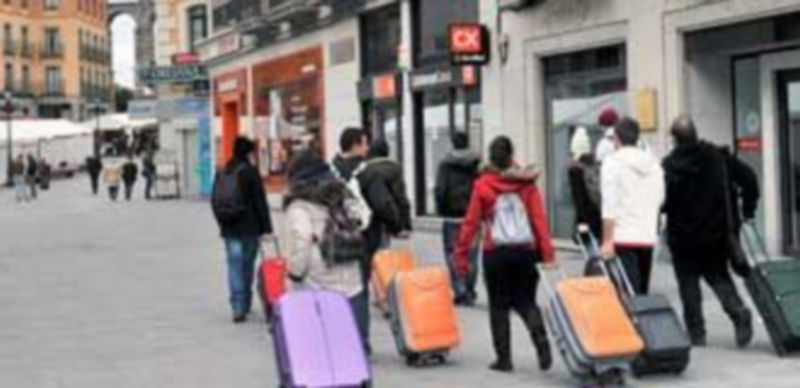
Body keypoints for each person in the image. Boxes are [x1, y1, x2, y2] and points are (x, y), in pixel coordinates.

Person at [455, 136, 554, 373]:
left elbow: (471, 223)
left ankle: (504, 359)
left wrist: (461, 254)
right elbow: (539, 221)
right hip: (526, 252)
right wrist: (548, 254)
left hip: (496, 253)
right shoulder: (527, 184)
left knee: (498, 306)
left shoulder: (483, 185)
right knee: (526, 301)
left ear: (490, 157)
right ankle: (540, 339)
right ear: (511, 156)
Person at [662, 116, 758, 347]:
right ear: (695, 133)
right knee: (718, 276)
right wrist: (748, 209)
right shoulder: (719, 157)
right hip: (717, 233)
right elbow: (749, 179)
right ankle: (738, 312)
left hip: (682, 237)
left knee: (688, 284)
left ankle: (697, 334)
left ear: (675, 139)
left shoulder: (669, 165)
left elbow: (661, 201)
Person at [283, 149, 369, 351]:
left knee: (323, 342)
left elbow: (302, 240)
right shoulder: (342, 192)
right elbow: (362, 218)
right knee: (352, 338)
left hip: (318, 278)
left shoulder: (299, 206)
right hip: (351, 272)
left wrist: (294, 274)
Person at [211, 137, 273, 323]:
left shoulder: (222, 171)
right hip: (249, 227)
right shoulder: (250, 172)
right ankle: (245, 300)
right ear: (248, 153)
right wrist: (266, 228)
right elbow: (260, 202)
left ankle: (237, 306)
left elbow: (215, 200)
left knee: (234, 265)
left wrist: (221, 223)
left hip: (229, 228)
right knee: (247, 265)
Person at [600, 117, 665, 295]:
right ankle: (641, 323)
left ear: (617, 140)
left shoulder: (612, 163)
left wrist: (607, 241)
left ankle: (631, 323)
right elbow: (660, 198)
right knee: (641, 294)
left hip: (622, 237)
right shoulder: (653, 164)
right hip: (647, 236)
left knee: (627, 295)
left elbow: (609, 204)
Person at [435, 132, 481, 305]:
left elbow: (440, 190)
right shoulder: (476, 164)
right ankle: (469, 288)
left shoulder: (445, 164)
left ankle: (460, 289)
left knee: (452, 252)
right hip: (473, 215)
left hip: (451, 216)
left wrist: (441, 209)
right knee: (472, 253)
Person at [360, 138, 413, 255]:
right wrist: (405, 224)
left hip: (370, 216)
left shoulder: (365, 169)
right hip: (391, 215)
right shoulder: (395, 168)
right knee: (384, 250)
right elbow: (401, 197)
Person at [568, 126, 602, 240]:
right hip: (599, 215)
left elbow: (579, 200)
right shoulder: (596, 165)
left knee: (591, 253)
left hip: (586, 219)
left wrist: (581, 224)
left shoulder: (575, 170)